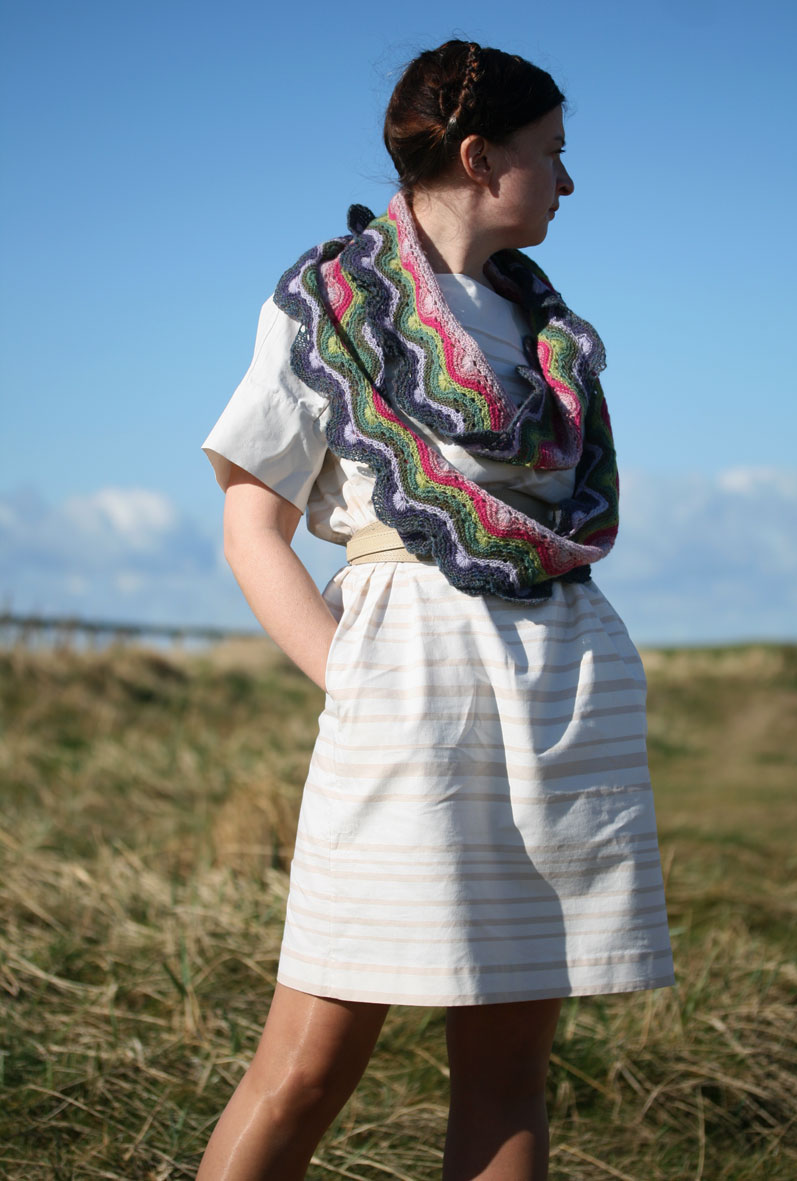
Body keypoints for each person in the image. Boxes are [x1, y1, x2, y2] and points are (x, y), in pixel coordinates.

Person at [197, 39, 675, 1181]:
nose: (567, 180)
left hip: (561, 686)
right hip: (408, 685)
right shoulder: (332, 304)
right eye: (550, 152)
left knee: (509, 1076)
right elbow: (250, 524)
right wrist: (353, 682)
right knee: (308, 1061)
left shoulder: (547, 330)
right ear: (478, 157)